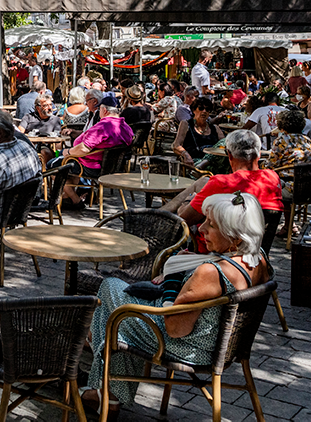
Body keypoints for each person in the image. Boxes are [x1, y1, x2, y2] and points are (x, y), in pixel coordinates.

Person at [82, 192, 271, 415]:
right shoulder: (259, 259)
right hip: (224, 344)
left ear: (236, 239)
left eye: (211, 225)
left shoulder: (211, 273)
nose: (201, 229)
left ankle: (104, 391)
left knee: (112, 296)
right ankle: (108, 394)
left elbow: (175, 328)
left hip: (190, 348)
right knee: (117, 310)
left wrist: (174, 284)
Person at [169, 129, 284, 226]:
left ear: (229, 154)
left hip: (217, 248)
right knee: (203, 181)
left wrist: (188, 200)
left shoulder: (222, 183)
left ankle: (157, 215)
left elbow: (184, 220)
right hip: (257, 246)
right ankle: (157, 212)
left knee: (198, 190)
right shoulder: (272, 178)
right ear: (259, 154)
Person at [172, 97, 225, 171]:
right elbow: (176, 145)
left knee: (226, 142)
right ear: (194, 110)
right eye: (200, 108)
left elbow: (225, 145)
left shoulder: (214, 128)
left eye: (207, 109)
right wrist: (186, 155)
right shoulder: (186, 124)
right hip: (195, 162)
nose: (204, 111)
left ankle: (205, 162)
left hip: (214, 163)